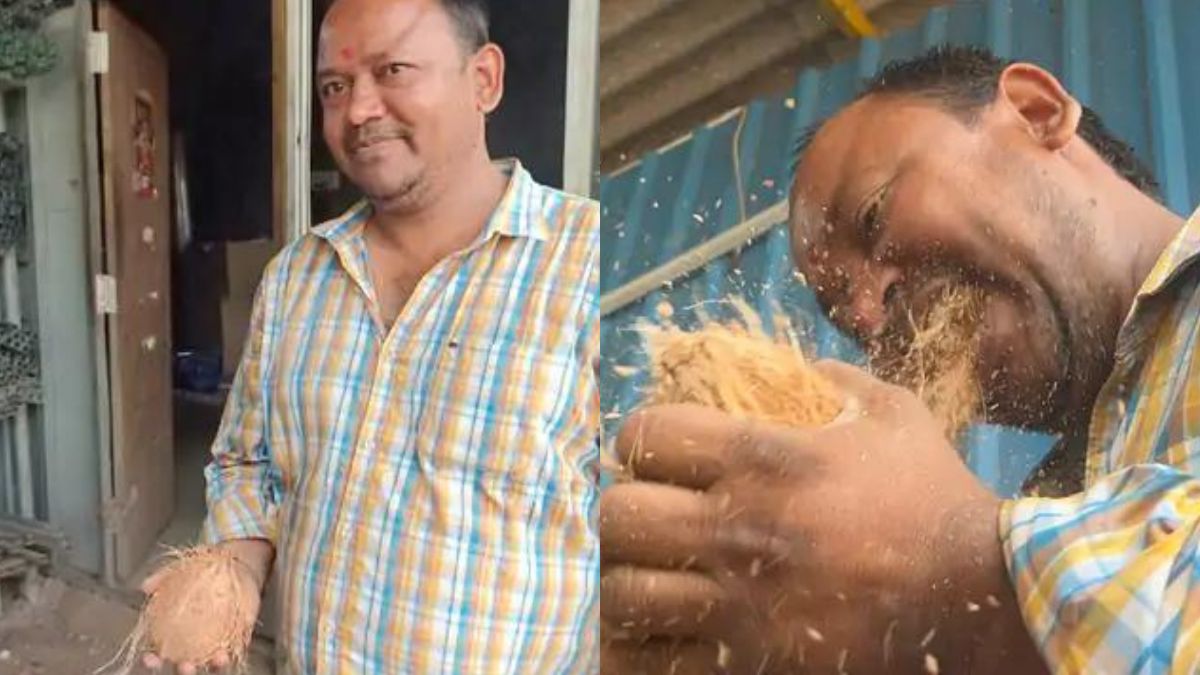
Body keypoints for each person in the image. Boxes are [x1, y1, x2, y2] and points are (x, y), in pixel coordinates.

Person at [600, 45, 1200, 673]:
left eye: (874, 213)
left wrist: (954, 572)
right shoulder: (1052, 500)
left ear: (1037, 111)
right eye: (839, 315)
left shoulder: (991, 546)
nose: (864, 314)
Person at [143, 0, 599, 672]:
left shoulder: (588, 267)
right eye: (335, 87)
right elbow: (250, 464)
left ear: (485, 81)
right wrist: (233, 574)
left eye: (394, 70)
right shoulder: (296, 278)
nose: (358, 111)